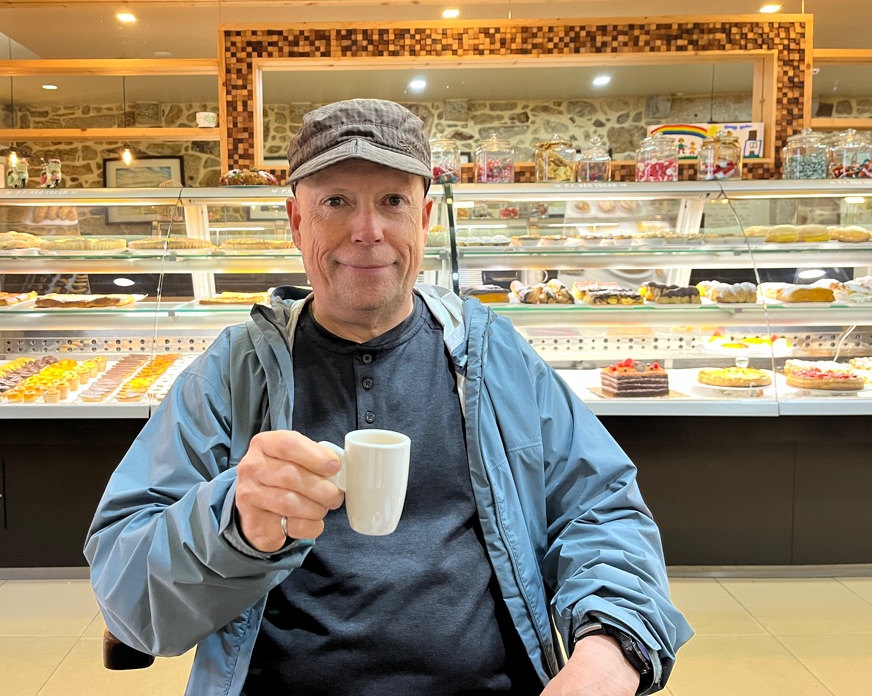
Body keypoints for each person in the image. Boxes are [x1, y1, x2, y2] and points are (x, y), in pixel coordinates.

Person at [85, 98, 693, 695]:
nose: (367, 232)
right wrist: (233, 524)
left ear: (424, 218)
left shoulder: (494, 357)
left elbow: (601, 510)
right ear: (297, 222)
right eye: (336, 202)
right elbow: (126, 593)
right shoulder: (233, 371)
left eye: (392, 202)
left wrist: (610, 651)